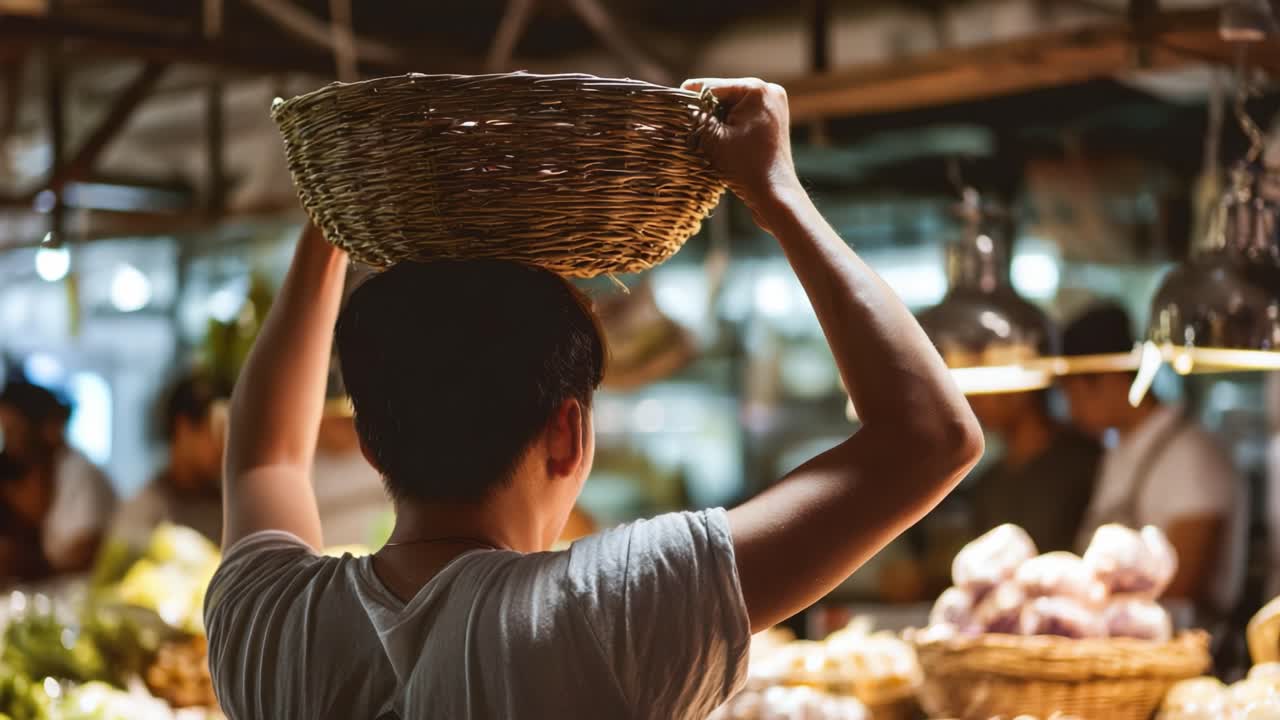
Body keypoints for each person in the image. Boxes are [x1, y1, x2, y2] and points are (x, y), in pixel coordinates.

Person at [203, 77, 983, 719]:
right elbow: (933, 438)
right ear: (567, 435)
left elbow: (264, 458)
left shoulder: (267, 622)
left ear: (371, 442)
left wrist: (338, 210)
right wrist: (776, 190)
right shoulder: (605, 612)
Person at [1059, 303, 1244, 615]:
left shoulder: (1191, 455)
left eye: (1073, 394)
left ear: (1109, 379)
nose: (1071, 411)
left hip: (1182, 646)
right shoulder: (1119, 449)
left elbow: (1186, 582)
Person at [0, 380, 116, 573]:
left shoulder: (79, 473)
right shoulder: (28, 469)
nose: (10, 447)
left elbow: (82, 553)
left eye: (14, 432)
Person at [966, 390, 1101, 552]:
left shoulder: (1084, 460)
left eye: (984, 389)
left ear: (1020, 393)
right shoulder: (987, 484)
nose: (972, 400)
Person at [111, 373, 226, 547]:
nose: (225, 444)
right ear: (183, 428)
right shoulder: (142, 513)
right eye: (217, 431)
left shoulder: (232, 509)